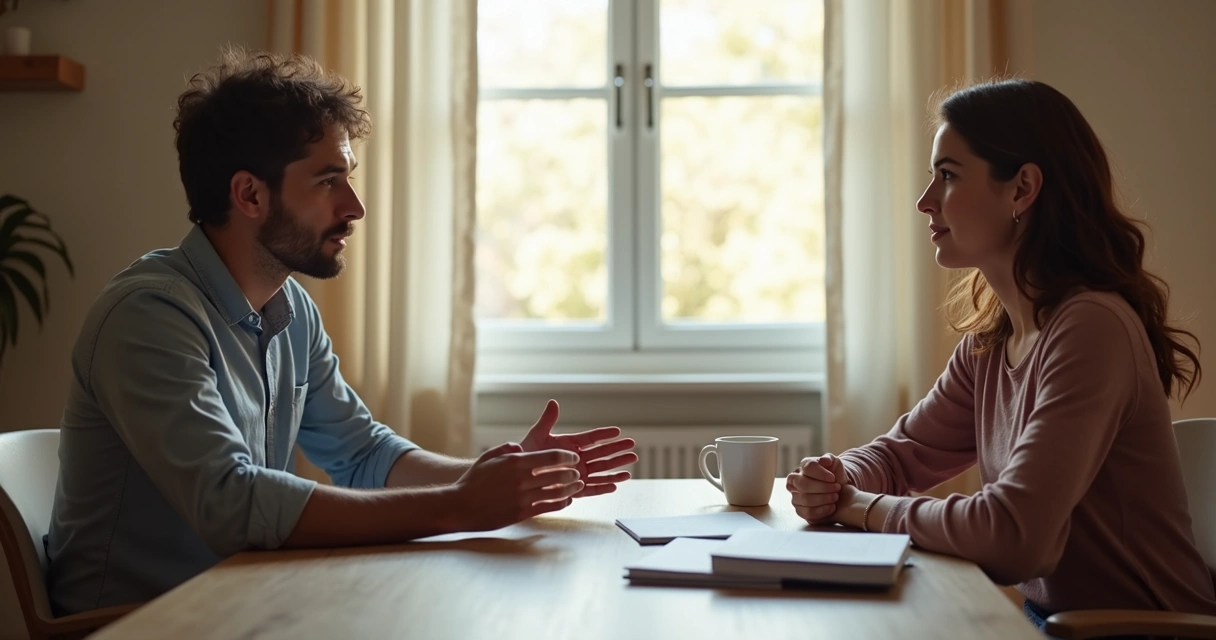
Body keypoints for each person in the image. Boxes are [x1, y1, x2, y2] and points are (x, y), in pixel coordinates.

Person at [45, 47, 638, 615]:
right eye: (328, 180)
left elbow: (362, 453)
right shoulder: (149, 316)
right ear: (249, 194)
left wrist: (501, 477)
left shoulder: (292, 312)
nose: (354, 206)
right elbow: (231, 504)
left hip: (240, 605)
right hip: (135, 625)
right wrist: (460, 506)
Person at [787, 78, 1216, 632]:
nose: (925, 201)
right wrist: (837, 476)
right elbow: (901, 455)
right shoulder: (993, 342)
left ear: (1022, 188)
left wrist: (860, 507)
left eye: (948, 175)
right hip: (1055, 624)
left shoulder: (1092, 328)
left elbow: (1014, 537)